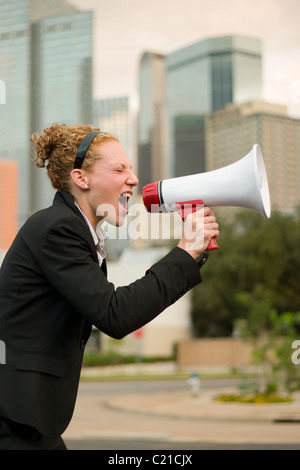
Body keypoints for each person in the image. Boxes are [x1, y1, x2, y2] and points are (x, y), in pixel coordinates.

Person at [0, 124, 219, 450]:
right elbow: (115, 314)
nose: (133, 178)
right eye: (119, 169)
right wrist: (185, 252)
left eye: (131, 169)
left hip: (28, 421)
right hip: (12, 420)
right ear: (81, 179)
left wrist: (189, 254)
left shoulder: (78, 233)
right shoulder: (59, 228)